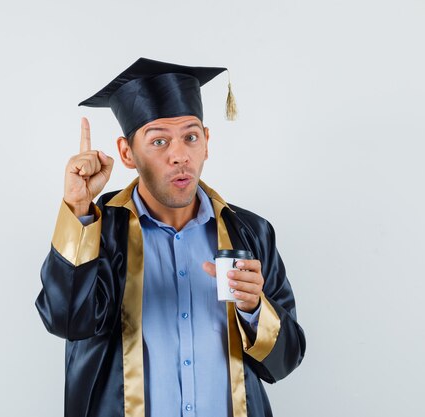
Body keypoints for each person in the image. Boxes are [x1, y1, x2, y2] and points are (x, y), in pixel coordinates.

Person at [35, 57, 306, 417]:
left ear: (206, 143)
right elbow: (66, 321)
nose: (180, 155)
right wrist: (78, 209)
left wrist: (255, 310)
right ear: (127, 153)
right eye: (159, 141)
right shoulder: (97, 229)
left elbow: (284, 363)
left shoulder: (250, 233)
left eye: (191, 137)